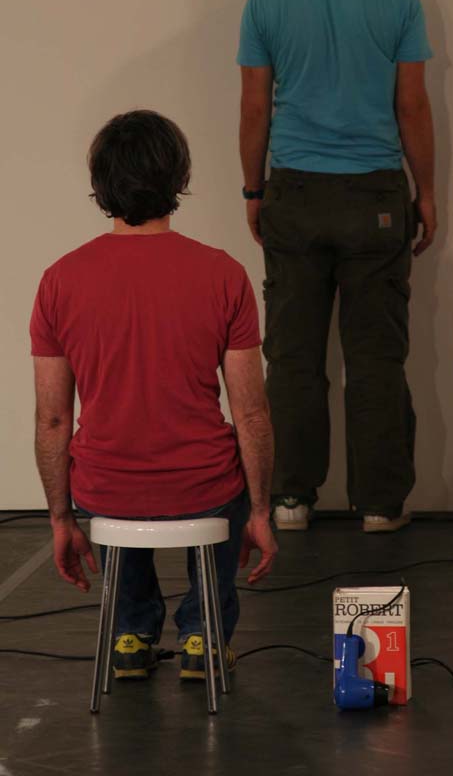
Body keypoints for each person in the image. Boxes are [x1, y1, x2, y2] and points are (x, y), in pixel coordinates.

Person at [30, 110, 277, 681]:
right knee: (224, 478)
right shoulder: (223, 274)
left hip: (105, 489)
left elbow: (52, 421)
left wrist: (61, 518)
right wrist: (262, 512)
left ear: (100, 184)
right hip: (203, 487)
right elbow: (251, 413)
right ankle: (203, 635)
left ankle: (131, 633)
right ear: (179, 178)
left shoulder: (60, 280)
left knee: (112, 477)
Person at [237, 0, 436, 534]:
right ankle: (380, 505)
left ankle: (291, 498)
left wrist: (253, 192)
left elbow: (255, 108)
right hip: (374, 196)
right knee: (376, 357)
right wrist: (426, 192)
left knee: (292, 357)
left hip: (294, 192)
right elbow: (412, 106)